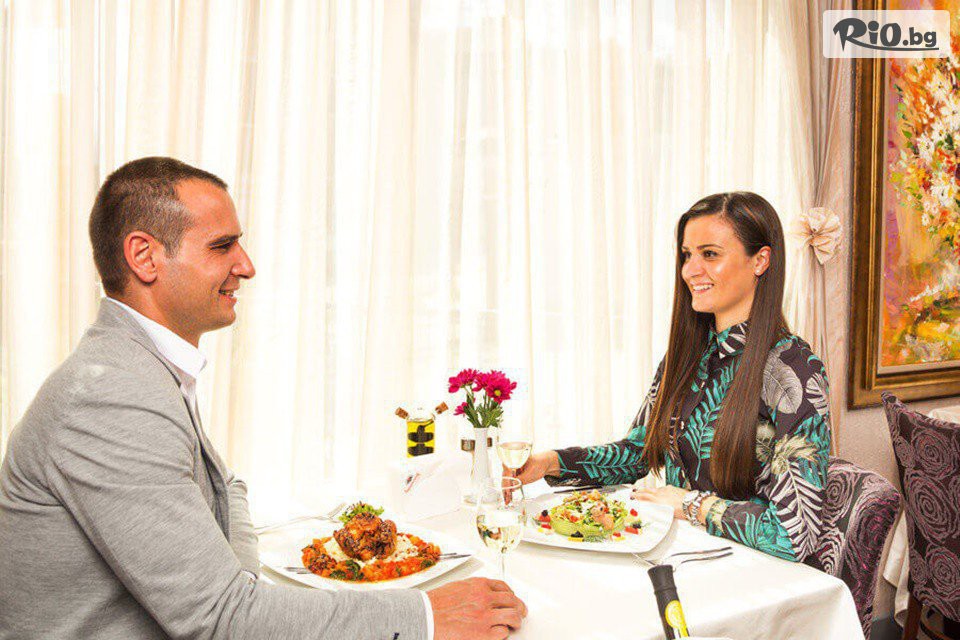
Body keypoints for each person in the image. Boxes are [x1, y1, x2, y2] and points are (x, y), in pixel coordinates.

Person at [0, 157, 526, 640]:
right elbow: (222, 619)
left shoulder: (138, 366)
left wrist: (240, 589)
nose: (246, 266)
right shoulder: (109, 395)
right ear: (144, 256)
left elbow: (228, 489)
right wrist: (426, 617)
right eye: (221, 246)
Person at [512, 192, 830, 564]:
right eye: (687, 255)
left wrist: (692, 505)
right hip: (679, 555)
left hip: (755, 572)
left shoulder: (795, 370)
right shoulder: (688, 356)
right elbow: (639, 453)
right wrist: (550, 463)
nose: (690, 270)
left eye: (709, 254)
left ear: (760, 260)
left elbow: (794, 534)